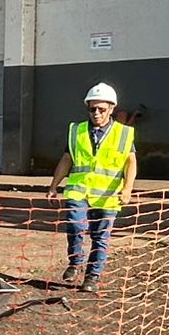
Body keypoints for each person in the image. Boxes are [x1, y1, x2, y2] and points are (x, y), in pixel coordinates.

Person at [46, 82, 137, 294]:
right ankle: (75, 261)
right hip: (78, 189)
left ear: (112, 108)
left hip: (108, 194)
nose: (96, 113)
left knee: (101, 236)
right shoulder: (76, 131)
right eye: (92, 109)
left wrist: (128, 188)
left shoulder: (124, 133)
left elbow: (131, 162)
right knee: (76, 225)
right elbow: (67, 159)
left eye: (101, 109)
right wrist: (53, 186)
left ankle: (92, 276)